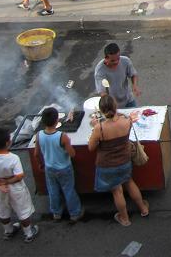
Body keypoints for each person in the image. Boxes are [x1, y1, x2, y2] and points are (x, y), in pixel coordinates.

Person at [87, 95, 149, 226]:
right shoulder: (127, 121)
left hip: (108, 165)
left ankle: (125, 218)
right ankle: (143, 208)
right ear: (115, 107)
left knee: (117, 191)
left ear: (102, 111)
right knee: (129, 182)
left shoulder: (99, 128)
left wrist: (95, 126)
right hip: (125, 161)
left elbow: (91, 147)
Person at [0, 128, 39, 242]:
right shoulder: (13, 158)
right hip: (16, 188)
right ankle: (28, 233)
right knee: (23, 211)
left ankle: (8, 231)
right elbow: (19, 176)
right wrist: (7, 182)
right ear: (8, 142)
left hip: (1, 189)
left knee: (3, 211)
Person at [34, 107, 83, 223]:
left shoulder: (39, 135)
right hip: (64, 168)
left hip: (49, 168)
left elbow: (36, 154)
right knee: (68, 190)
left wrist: (40, 164)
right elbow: (72, 154)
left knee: (53, 190)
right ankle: (75, 213)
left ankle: (56, 213)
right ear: (57, 120)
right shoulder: (62, 136)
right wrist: (68, 147)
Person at [94, 43, 140, 109]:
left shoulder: (126, 61)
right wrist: (111, 102)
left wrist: (134, 85)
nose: (116, 62)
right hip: (113, 104)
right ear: (106, 58)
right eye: (112, 60)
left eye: (118, 58)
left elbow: (133, 74)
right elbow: (102, 92)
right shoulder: (100, 71)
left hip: (128, 99)